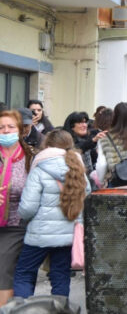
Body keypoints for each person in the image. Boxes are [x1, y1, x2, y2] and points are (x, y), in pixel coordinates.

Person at [12, 130, 90, 298]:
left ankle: (23, 309)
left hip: (39, 235)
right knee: (60, 275)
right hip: (67, 234)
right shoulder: (79, 170)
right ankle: (59, 309)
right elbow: (87, 198)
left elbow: (27, 209)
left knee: (24, 273)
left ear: (46, 146)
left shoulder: (40, 169)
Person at [0, 110, 34, 305]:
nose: (5, 131)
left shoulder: (31, 157)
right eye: (1, 127)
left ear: (20, 130)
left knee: (3, 266)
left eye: (10, 127)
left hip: (16, 224)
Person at [62, 111, 99, 176]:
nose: (84, 125)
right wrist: (92, 141)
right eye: (80, 123)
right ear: (72, 126)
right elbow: (75, 149)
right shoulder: (65, 142)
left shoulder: (89, 138)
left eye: (85, 122)